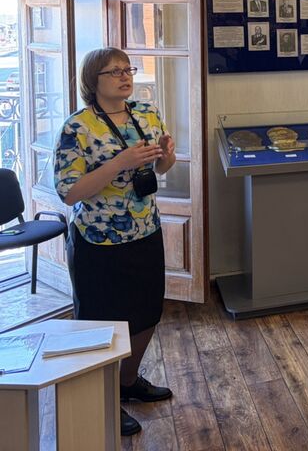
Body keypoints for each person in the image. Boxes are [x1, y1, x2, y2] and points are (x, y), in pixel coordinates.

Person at [53, 48, 177, 438]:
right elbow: (70, 193)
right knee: (102, 324)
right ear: (93, 81)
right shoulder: (77, 127)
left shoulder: (147, 114)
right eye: (114, 72)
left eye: (128, 70)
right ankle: (104, 399)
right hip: (97, 241)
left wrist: (167, 157)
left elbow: (158, 169)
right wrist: (120, 162)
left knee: (147, 313)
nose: (125, 77)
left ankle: (127, 381)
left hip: (145, 231)